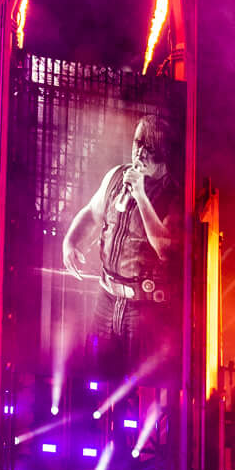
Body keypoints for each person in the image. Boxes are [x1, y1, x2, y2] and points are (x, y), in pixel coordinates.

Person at [61, 114, 177, 345]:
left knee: (138, 366)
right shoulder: (116, 176)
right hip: (106, 298)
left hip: (144, 307)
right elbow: (92, 213)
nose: (140, 153)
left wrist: (140, 195)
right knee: (96, 363)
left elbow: (166, 250)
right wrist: (70, 243)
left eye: (150, 147)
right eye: (138, 142)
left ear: (164, 153)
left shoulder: (173, 195)